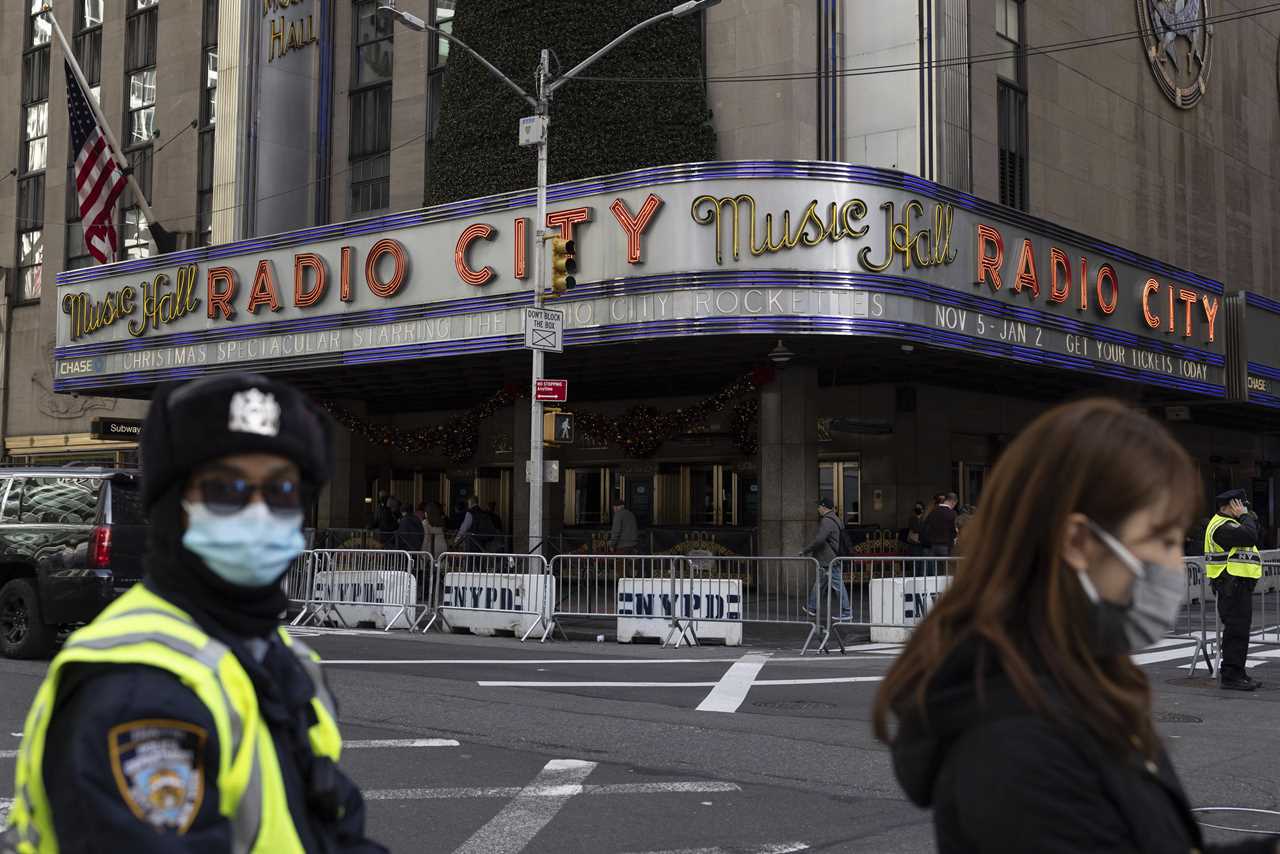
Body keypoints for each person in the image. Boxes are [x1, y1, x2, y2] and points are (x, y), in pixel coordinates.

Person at [2, 373, 386, 853]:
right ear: (171, 508)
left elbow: (329, 825)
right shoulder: (138, 687)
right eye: (226, 489)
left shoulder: (273, 651)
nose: (259, 512)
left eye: (282, 490)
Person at [873, 398, 1278, 854]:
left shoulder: (1078, 677)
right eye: (1160, 539)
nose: (1173, 562)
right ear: (1079, 542)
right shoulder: (1019, 751)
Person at [1205, 488, 1263, 691]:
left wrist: (1247, 517)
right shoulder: (1222, 527)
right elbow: (1249, 537)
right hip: (1231, 585)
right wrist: (1245, 517)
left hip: (1238, 585)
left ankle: (1238, 672)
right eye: (1240, 505)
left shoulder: (1233, 524)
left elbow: (1254, 533)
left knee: (1240, 631)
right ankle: (1230, 676)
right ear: (1229, 506)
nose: (1244, 508)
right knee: (1235, 631)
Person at [802, 497, 852, 620]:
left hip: (829, 559)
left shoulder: (827, 521)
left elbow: (819, 540)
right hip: (831, 558)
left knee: (837, 585)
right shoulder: (836, 519)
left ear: (824, 507)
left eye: (819, 506)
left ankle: (846, 611)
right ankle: (811, 607)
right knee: (820, 583)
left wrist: (805, 550)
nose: (818, 509)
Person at [923, 492, 958, 556]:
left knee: (935, 565)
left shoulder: (933, 511)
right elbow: (953, 530)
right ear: (953, 502)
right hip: (946, 545)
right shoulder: (952, 513)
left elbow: (926, 526)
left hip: (933, 546)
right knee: (946, 565)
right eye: (955, 504)